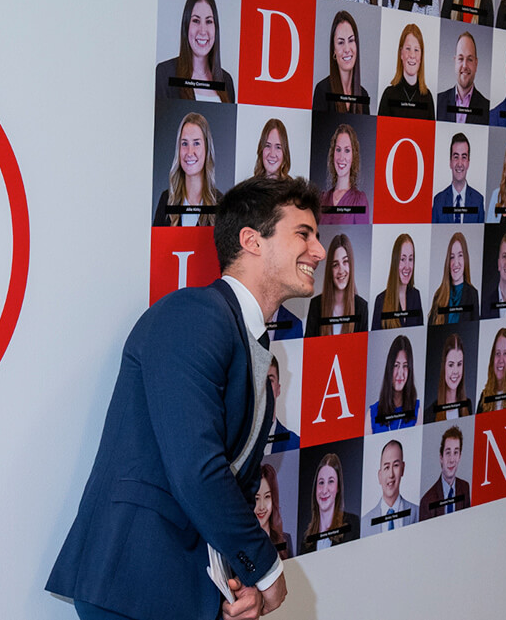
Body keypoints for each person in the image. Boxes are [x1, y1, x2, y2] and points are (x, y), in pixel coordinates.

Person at [49, 176, 321, 620]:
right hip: (133, 585)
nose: (319, 251)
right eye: (303, 234)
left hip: (184, 589)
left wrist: (242, 584)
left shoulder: (251, 341)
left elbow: (234, 489)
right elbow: (199, 471)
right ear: (251, 240)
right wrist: (268, 571)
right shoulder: (194, 315)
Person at [156, 0, 236, 103]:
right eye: (196, 21)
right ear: (186, 25)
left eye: (208, 21)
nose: (203, 31)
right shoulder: (164, 73)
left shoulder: (227, 81)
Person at [154, 113, 222, 227]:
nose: (190, 152)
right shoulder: (166, 199)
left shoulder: (220, 204)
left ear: (207, 149)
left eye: (196, 143)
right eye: (184, 143)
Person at [305, 233, 369, 336]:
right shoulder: (316, 305)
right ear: (330, 270)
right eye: (335, 265)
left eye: (345, 262)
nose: (341, 270)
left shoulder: (361, 307)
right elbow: (309, 348)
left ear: (351, 265)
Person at [311, 10, 370, 113]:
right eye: (341, 42)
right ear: (334, 50)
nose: (347, 49)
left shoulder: (363, 95)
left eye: (351, 40)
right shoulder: (322, 90)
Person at [302, 453, 358, 552]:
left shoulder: (352, 524)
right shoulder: (306, 538)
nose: (324, 490)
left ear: (338, 488)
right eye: (321, 482)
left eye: (331, 481)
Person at [377, 24, 434, 119]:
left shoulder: (427, 97)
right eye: (408, 49)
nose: (412, 55)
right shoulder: (388, 94)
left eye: (416, 50)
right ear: (401, 53)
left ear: (421, 56)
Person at [366, 334, 419, 433]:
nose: (400, 373)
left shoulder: (418, 410)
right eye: (396, 365)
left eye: (405, 366)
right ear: (389, 368)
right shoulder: (371, 414)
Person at [319, 124, 370, 225]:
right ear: (333, 153)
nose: (341, 157)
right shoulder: (322, 198)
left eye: (347, 150)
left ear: (353, 155)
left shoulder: (359, 200)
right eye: (338, 150)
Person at [435, 31, 489, 123]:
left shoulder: (487, 108)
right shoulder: (438, 102)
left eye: (470, 59)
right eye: (460, 59)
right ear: (455, 61)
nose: (464, 65)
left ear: (476, 63)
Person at [366, 439, 418, 534]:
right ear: (380, 475)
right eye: (386, 467)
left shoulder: (417, 512)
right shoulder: (365, 522)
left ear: (403, 469)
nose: (391, 474)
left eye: (396, 465)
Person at [418, 426, 471, 518]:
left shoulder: (465, 487)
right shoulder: (427, 501)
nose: (452, 460)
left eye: (456, 453)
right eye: (448, 452)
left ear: (460, 457)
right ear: (441, 457)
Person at [431, 133, 485, 224]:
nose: (460, 163)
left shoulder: (478, 200)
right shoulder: (438, 201)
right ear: (450, 162)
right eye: (456, 157)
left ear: (468, 162)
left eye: (464, 157)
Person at [371, 234, 422, 330]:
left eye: (410, 259)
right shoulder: (380, 301)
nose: (407, 266)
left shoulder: (416, 296)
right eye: (402, 259)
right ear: (395, 261)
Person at [426, 233, 477, 326]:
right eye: (452, 257)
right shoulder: (439, 295)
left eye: (460, 255)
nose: (455, 263)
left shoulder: (473, 294)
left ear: (466, 258)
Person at [477, 327, 506, 412]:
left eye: (505, 353)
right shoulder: (484, 397)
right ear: (492, 358)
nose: (501, 360)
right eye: (497, 353)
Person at [428, 333, 473, 422]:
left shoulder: (468, 406)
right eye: (451, 365)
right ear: (444, 367)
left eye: (459, 364)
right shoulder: (430, 413)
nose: (455, 371)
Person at [255, 463, 293, 560]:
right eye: (256, 498)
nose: (262, 506)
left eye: (267, 497)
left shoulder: (286, 539)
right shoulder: (241, 542)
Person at [263, 356, 299, 454]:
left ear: (278, 389)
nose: (265, 387)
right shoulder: (236, 441)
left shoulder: (295, 443)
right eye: (260, 380)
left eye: (270, 381)